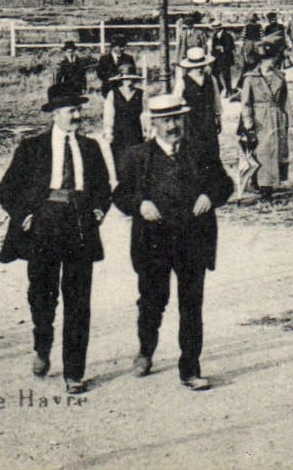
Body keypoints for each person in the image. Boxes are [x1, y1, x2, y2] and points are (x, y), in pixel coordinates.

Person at [113, 94, 235, 391]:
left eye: (177, 119)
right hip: (153, 242)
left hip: (193, 240)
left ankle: (190, 368)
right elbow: (120, 195)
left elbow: (224, 183)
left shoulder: (201, 151)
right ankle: (145, 351)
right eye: (166, 120)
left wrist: (210, 195)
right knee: (153, 302)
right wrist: (139, 204)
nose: (172, 126)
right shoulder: (137, 156)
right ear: (153, 124)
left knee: (191, 306)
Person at [0, 85, 112, 394]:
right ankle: (42, 345)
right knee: (42, 296)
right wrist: (24, 215)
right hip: (43, 228)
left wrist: (99, 210)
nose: (77, 115)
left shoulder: (90, 147)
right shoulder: (32, 148)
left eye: (78, 110)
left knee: (78, 302)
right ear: (54, 114)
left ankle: (74, 372)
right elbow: (6, 190)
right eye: (70, 111)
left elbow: (103, 187)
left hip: (79, 227)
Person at [238, 44, 290, 199]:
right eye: (267, 58)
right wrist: (248, 120)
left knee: (276, 150)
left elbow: (286, 101)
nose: (272, 61)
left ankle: (271, 182)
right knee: (262, 151)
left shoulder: (280, 77)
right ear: (260, 61)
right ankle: (262, 185)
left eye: (272, 57)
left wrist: (291, 122)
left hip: (277, 116)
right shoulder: (250, 79)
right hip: (259, 117)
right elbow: (245, 102)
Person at [177, 46, 221, 158]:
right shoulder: (182, 82)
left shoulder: (211, 79)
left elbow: (216, 100)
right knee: (194, 153)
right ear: (189, 67)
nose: (199, 69)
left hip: (208, 121)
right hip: (191, 123)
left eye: (201, 66)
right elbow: (177, 103)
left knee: (212, 153)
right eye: (196, 67)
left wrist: (218, 118)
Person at [104, 71, 147, 175]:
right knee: (121, 164)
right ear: (121, 80)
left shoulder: (141, 94)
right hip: (119, 133)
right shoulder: (113, 94)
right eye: (126, 79)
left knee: (137, 162)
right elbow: (108, 115)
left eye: (131, 78)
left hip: (136, 132)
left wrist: (147, 131)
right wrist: (108, 132)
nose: (129, 81)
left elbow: (146, 114)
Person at [210, 24, 237, 97]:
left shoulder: (227, 35)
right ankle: (220, 87)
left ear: (219, 28)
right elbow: (213, 47)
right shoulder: (215, 36)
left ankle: (229, 91)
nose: (214, 30)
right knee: (214, 73)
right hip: (217, 58)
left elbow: (230, 47)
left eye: (215, 28)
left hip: (226, 58)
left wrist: (222, 48)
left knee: (226, 75)